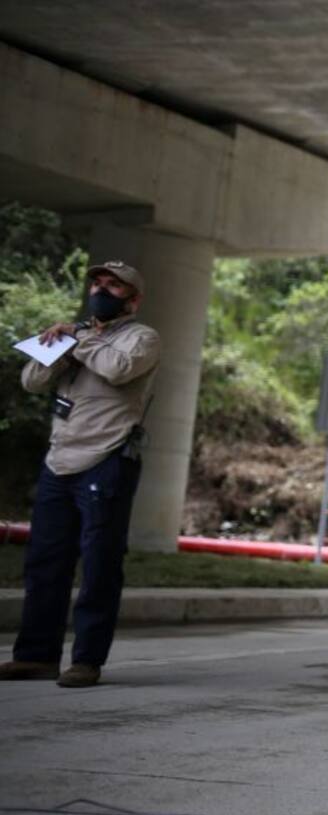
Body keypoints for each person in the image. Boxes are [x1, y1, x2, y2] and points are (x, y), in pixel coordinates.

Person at [0, 261, 161, 688]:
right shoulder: (72, 334)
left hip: (107, 459)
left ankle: (86, 660)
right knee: (45, 562)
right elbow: (32, 381)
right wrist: (56, 347)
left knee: (99, 565)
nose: (102, 290)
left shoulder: (142, 338)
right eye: (98, 282)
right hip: (59, 460)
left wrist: (80, 338)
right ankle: (36, 656)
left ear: (133, 298)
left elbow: (118, 369)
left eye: (114, 285)